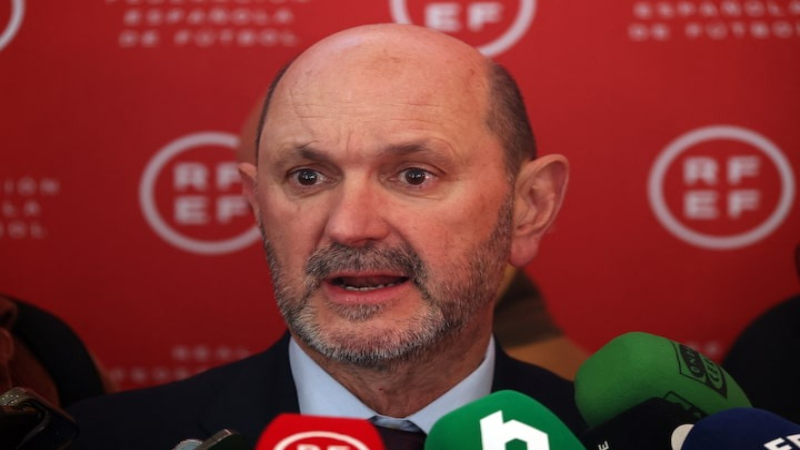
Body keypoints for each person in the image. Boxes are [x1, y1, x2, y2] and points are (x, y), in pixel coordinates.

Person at [67, 23, 581, 448]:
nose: (349, 227)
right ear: (258, 207)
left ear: (529, 207)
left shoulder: (613, 437)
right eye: (308, 177)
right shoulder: (98, 439)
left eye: (414, 175)